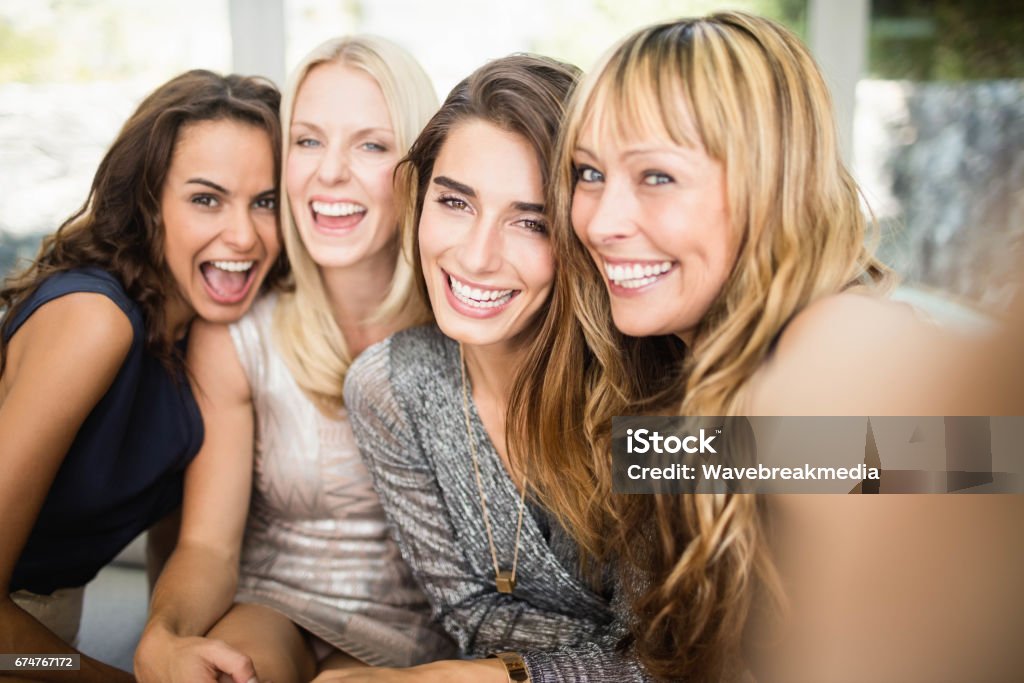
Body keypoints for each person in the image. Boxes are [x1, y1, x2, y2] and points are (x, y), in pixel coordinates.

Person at [511, 10, 1024, 682]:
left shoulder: (832, 334)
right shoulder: (678, 377)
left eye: (657, 176)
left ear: (769, 182)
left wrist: (666, 450)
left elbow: (990, 462)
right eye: (588, 173)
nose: (601, 222)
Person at [134, 36, 454, 683]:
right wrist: (162, 637)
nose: (329, 171)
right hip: (277, 605)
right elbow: (208, 544)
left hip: (434, 635)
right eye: (307, 140)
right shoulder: (238, 334)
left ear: (417, 164)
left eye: (370, 143)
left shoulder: (468, 317)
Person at [340, 54, 667, 683]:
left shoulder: (651, 393)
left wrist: (470, 678)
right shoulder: (390, 387)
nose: (478, 255)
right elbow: (471, 616)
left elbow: (663, 657)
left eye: (530, 221)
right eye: (456, 203)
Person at [0, 69, 283, 682]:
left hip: (42, 632)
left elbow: (184, 547)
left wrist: (172, 645)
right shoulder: (95, 320)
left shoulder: (202, 336)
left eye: (266, 202)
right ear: (149, 205)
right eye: (206, 198)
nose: (244, 234)